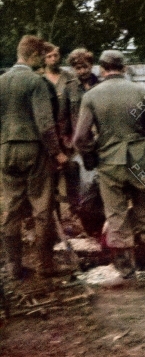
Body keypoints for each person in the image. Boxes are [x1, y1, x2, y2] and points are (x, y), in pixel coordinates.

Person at [73, 50, 145, 286]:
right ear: (124, 68)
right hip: (140, 162)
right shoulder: (141, 92)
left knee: (116, 216)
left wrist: (93, 158)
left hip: (109, 165)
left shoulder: (91, 96)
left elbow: (80, 138)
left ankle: (126, 272)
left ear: (102, 69)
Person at [0, 35, 68, 280]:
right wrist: (57, 152)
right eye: (41, 55)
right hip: (33, 150)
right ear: (34, 55)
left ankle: (13, 267)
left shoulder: (1, 81)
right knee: (42, 207)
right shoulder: (36, 82)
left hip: (6, 150)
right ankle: (45, 264)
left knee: (11, 209)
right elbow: (45, 124)